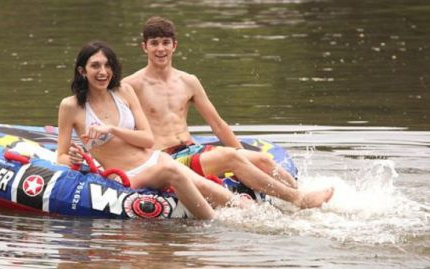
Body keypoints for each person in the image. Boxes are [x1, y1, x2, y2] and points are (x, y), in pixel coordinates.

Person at [122, 16, 334, 208]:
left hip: (191, 150)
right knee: (231, 158)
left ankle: (300, 193)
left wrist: (242, 154)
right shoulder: (131, 85)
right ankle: (300, 200)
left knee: (262, 160)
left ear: (174, 45)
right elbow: (118, 124)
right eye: (154, 43)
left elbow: (217, 124)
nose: (161, 49)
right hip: (167, 157)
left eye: (166, 43)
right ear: (144, 47)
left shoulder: (188, 81)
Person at [57, 40, 251, 220]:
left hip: (152, 157)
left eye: (108, 65)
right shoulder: (70, 106)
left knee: (196, 181)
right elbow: (61, 156)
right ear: (82, 71)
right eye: (95, 66)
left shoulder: (123, 91)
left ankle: (253, 213)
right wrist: (75, 158)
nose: (103, 71)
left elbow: (147, 140)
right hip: (128, 175)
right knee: (172, 170)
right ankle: (215, 223)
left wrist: (113, 130)